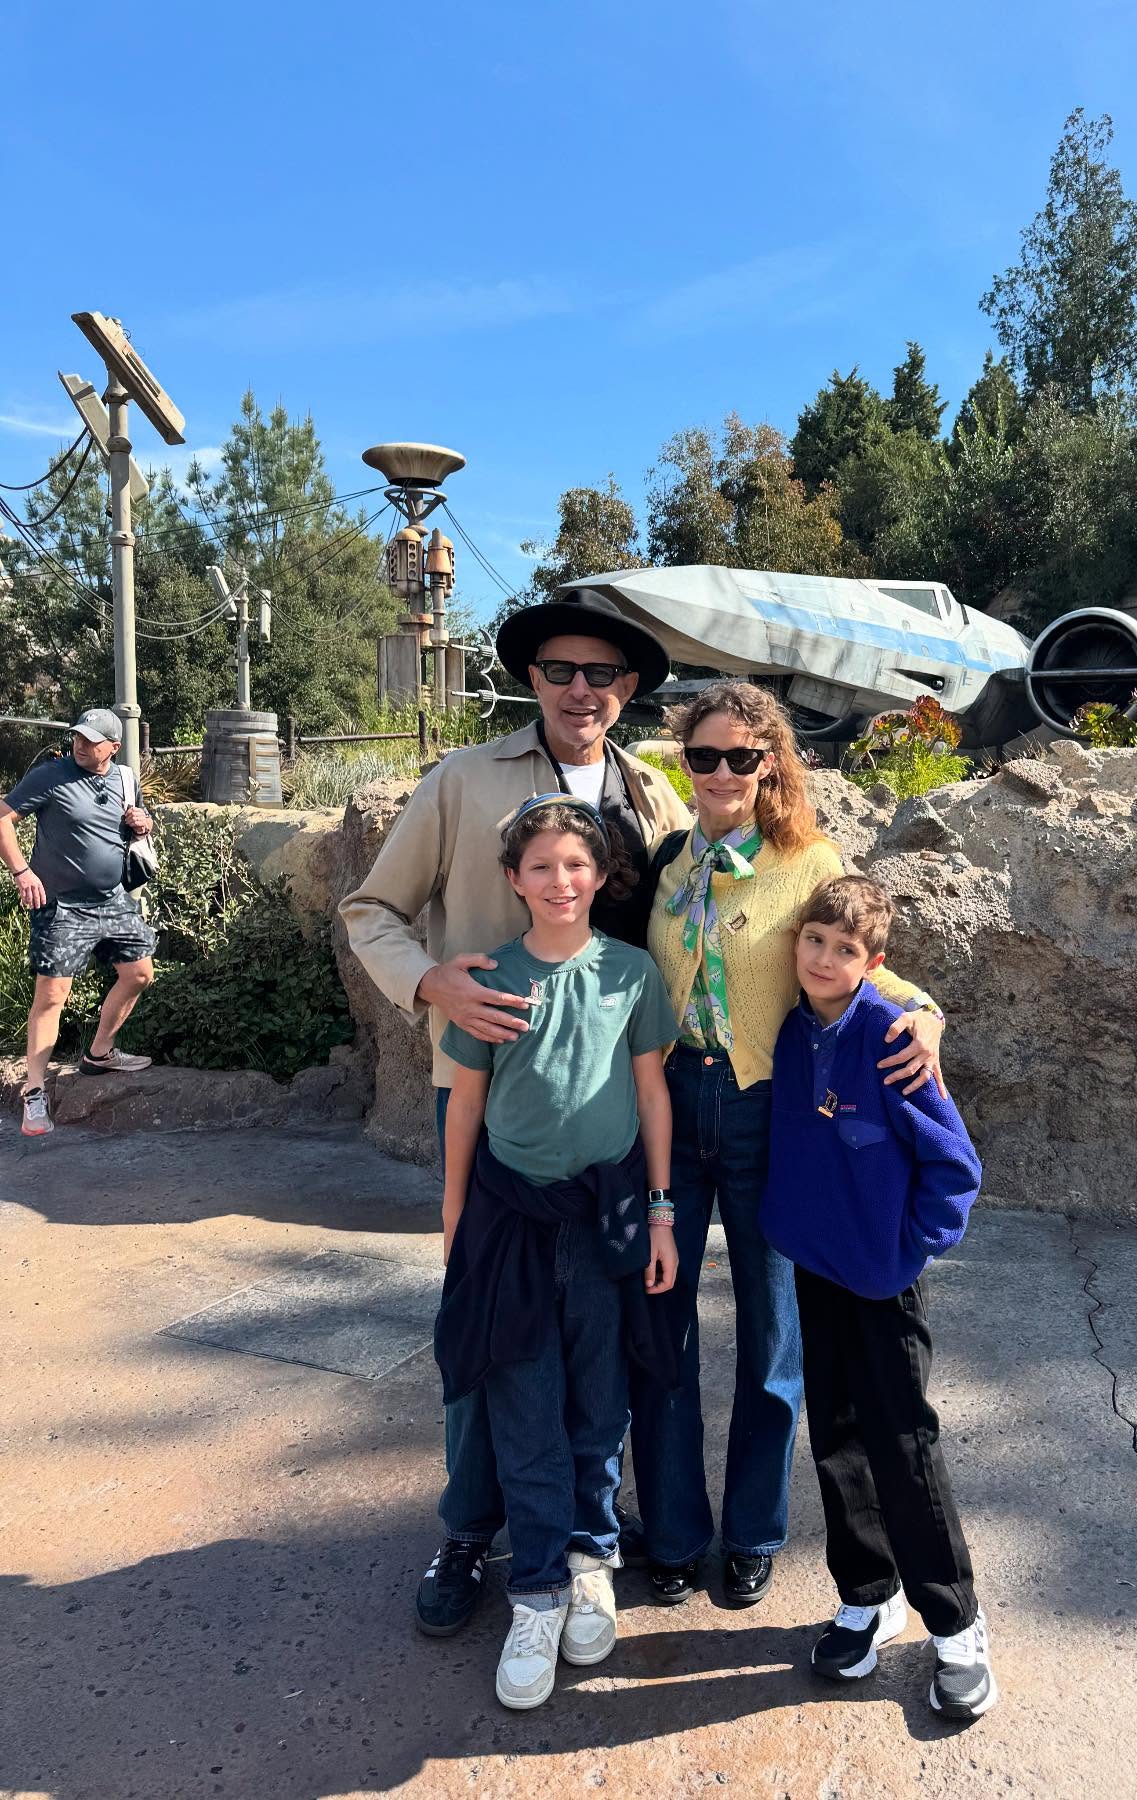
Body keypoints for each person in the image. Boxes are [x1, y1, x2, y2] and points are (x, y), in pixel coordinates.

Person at [339, 590, 689, 1639]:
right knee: (486, 1331)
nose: (582, 690)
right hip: (494, 1111)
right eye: (560, 671)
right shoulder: (464, 781)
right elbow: (373, 909)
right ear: (530, 679)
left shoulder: (656, 794)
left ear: (624, 691)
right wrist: (428, 984)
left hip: (610, 1113)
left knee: (596, 1334)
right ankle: (468, 1526)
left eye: (602, 674)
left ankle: (587, 1527)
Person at [630, 680, 948, 1608]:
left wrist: (924, 1013)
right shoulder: (667, 860)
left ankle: (755, 1532)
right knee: (663, 1328)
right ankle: (678, 1532)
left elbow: (862, 956)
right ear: (682, 761)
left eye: (742, 756)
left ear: (770, 762)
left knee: (774, 1334)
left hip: (768, 1112)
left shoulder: (806, 858)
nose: (723, 772)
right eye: (704, 755)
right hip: (672, 1103)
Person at [434, 795, 680, 1709]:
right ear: (514, 880)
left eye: (577, 866)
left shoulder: (630, 973)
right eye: (541, 867)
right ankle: (533, 1588)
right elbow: (465, 1106)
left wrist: (661, 1212)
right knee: (523, 1403)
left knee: (599, 1401)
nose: (560, 881)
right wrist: (455, 1220)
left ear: (602, 876)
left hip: (608, 1220)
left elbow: (651, 1095)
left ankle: (592, 1558)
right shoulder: (486, 977)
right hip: (509, 1226)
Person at [759, 874, 995, 1721]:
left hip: (883, 1281)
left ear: (874, 964)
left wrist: (910, 1249)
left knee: (905, 1445)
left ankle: (956, 1624)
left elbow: (954, 1167)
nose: (824, 959)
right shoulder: (792, 1033)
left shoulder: (894, 1039)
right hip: (817, 1271)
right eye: (814, 941)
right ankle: (867, 1592)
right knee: (837, 1436)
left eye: (845, 950)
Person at [0, 708, 157, 1137]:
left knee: (140, 973)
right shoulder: (50, 775)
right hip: (62, 906)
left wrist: (142, 823)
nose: (81, 745)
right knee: (53, 996)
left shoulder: (125, 778)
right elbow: (2, 818)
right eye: (77, 738)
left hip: (112, 899)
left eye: (91, 740)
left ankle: (100, 1054)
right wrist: (21, 872)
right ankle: (34, 1094)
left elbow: (137, 824)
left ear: (114, 747)